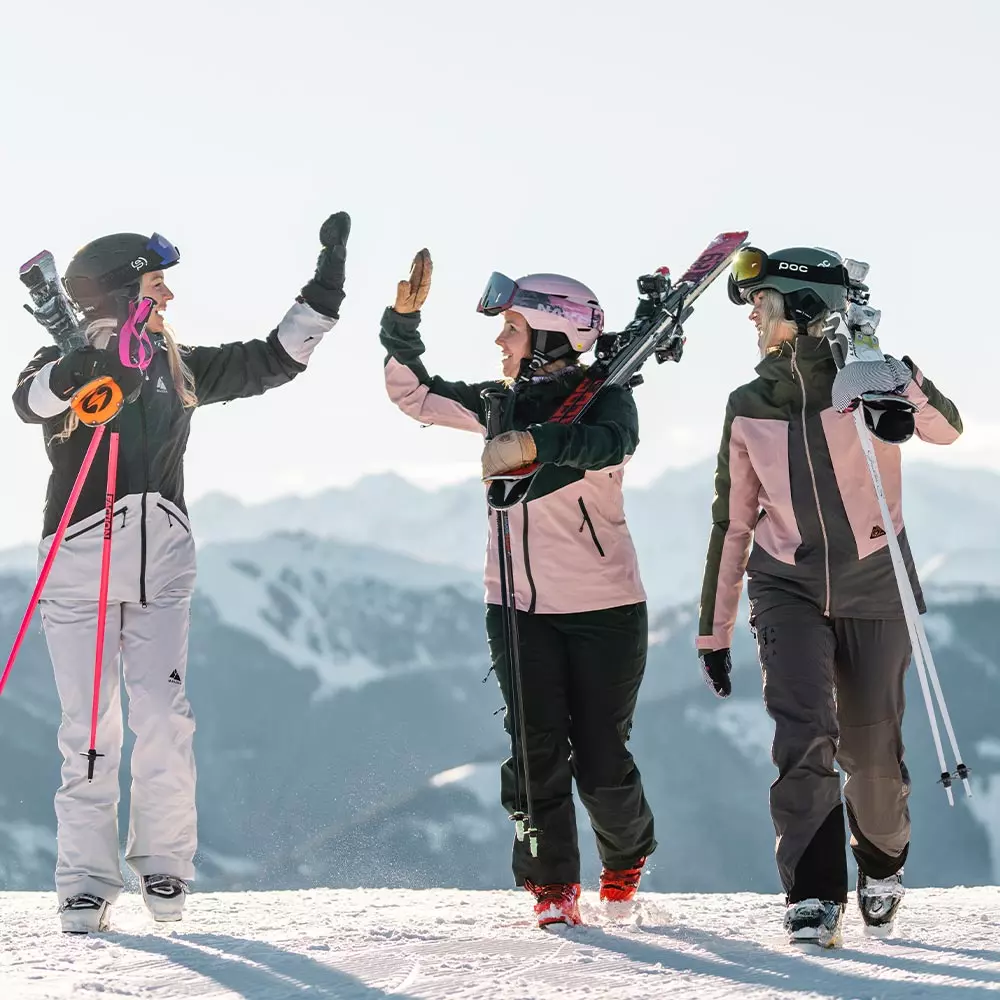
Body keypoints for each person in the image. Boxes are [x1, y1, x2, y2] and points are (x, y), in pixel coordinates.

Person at [13, 213, 350, 933]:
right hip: (79, 567)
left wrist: (324, 291)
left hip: (162, 563)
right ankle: (84, 883)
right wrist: (86, 369)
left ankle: (163, 864)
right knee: (90, 727)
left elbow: (272, 359)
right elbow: (28, 401)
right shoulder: (59, 359)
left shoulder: (176, 363)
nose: (167, 298)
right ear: (118, 293)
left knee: (164, 716)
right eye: (156, 285)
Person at [381, 250, 656, 927]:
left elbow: (609, 445)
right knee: (534, 752)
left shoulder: (608, 400)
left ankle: (625, 856)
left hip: (606, 611)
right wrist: (402, 323)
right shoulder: (495, 404)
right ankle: (552, 888)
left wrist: (534, 445)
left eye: (511, 329)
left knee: (600, 758)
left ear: (549, 335)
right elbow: (413, 394)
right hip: (516, 611)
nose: (500, 342)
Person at [696, 245, 962, 946]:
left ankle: (882, 863)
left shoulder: (870, 376)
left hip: (876, 579)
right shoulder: (749, 402)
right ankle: (813, 896)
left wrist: (895, 383)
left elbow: (946, 428)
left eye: (763, 302)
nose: (753, 314)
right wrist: (713, 629)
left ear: (804, 305)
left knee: (872, 752)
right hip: (785, 583)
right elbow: (733, 519)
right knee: (802, 734)